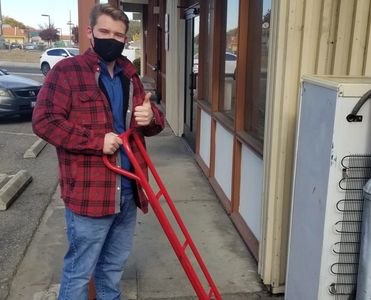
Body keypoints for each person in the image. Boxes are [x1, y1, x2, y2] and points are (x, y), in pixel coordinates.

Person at [32, 3, 164, 299]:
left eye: (119, 35)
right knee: (79, 272)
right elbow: (44, 121)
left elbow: (153, 124)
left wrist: (151, 118)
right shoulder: (66, 72)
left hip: (129, 187)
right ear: (90, 33)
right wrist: (95, 141)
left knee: (113, 267)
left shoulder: (130, 76)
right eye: (105, 31)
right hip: (91, 193)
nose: (112, 39)